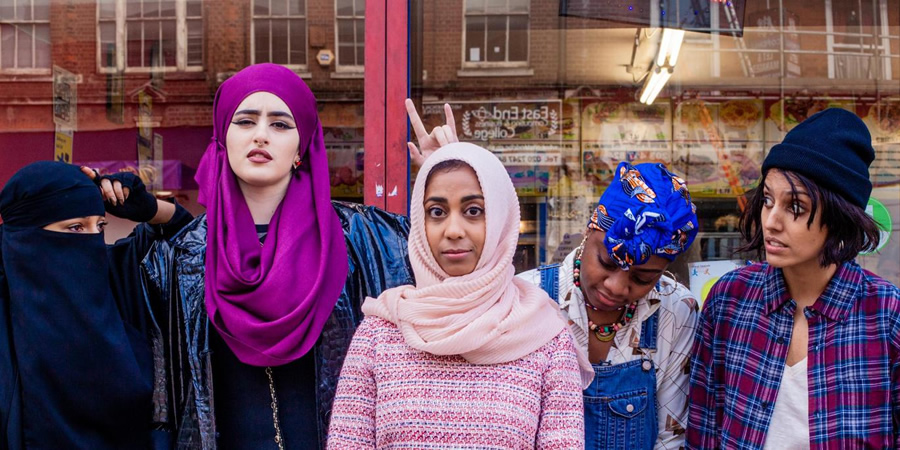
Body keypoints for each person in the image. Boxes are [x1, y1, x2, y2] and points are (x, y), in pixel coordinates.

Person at [138, 63, 420, 449]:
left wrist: (452, 172)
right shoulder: (180, 257)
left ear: (301, 146)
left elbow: (459, 274)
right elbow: (161, 398)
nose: (260, 136)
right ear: (223, 136)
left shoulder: (367, 237)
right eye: (245, 121)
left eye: (280, 124)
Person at [327, 143, 585, 448]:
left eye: (473, 211)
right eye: (437, 212)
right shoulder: (379, 335)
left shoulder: (546, 338)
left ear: (502, 218)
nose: (453, 230)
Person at [688, 108, 900, 448]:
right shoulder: (730, 300)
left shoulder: (885, 314)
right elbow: (703, 428)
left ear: (840, 216)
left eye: (795, 207)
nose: (771, 221)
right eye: (768, 200)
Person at [0, 161, 191, 449]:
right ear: (27, 236)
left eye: (99, 226)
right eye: (75, 227)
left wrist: (150, 208)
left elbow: (190, 242)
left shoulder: (118, 280)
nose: (92, 240)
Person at [519, 161, 701, 449]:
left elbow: (672, 438)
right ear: (588, 231)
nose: (616, 287)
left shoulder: (675, 312)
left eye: (642, 278)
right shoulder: (526, 297)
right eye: (606, 261)